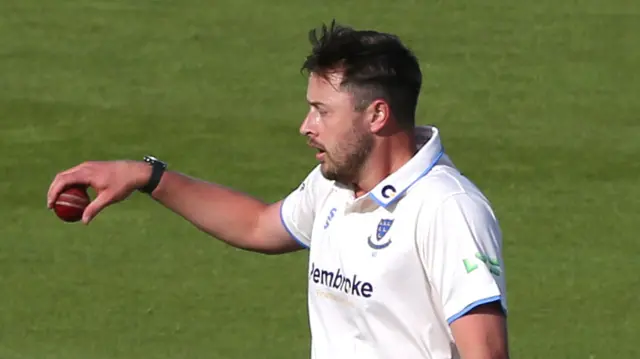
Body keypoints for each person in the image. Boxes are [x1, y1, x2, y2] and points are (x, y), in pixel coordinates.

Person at [47, 20, 509, 359]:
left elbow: (484, 353)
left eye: (322, 111)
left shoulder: (447, 209)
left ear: (377, 115)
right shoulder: (337, 186)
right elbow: (258, 224)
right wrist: (146, 176)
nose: (306, 126)